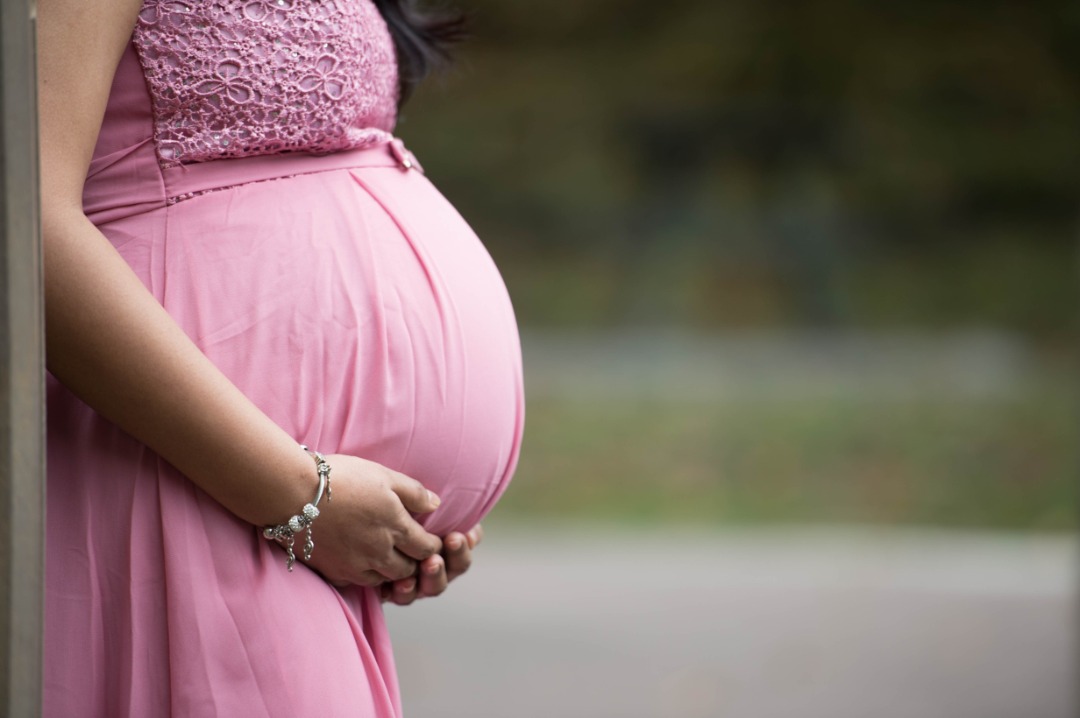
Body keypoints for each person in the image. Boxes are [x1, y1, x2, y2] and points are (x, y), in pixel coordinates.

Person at [38, 0, 524, 714]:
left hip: (283, 515)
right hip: (187, 477)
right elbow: (27, 220)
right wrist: (301, 497)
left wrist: (406, 527)